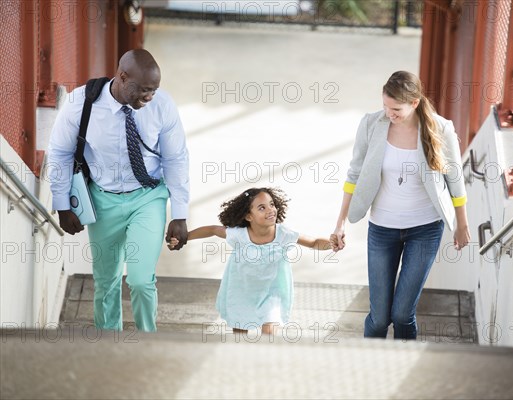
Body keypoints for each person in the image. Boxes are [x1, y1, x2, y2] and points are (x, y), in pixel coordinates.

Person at [47, 49, 190, 332]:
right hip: (103, 201)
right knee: (106, 281)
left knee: (140, 279)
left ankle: (148, 341)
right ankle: (108, 344)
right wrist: (62, 205)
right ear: (122, 77)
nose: (149, 97)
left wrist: (180, 213)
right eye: (144, 90)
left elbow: (176, 158)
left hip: (147, 197)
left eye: (154, 90)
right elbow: (60, 153)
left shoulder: (162, 106)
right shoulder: (81, 103)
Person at [331, 71, 471, 340]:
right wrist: (341, 222)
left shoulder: (440, 128)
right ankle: (367, 365)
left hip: (425, 229)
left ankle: (400, 362)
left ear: (415, 103)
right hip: (382, 228)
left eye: (395, 109)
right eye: (385, 106)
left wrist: (461, 224)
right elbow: (354, 174)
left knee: (402, 314)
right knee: (380, 316)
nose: (388, 113)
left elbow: (455, 178)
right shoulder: (372, 124)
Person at [169, 187, 332, 335]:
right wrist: (184, 238)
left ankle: (266, 365)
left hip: (272, 293)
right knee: (240, 336)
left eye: (271, 204)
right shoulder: (239, 235)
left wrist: (332, 243)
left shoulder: (283, 234)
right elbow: (212, 230)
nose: (270, 210)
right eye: (262, 208)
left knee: (270, 333)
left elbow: (313, 242)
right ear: (248, 216)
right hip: (242, 292)